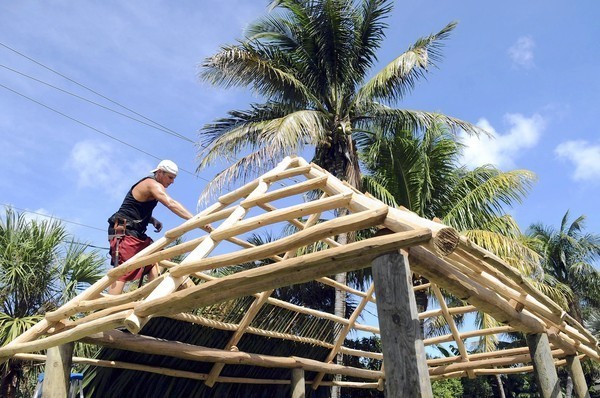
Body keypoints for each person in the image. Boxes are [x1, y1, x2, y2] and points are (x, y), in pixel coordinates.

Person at [107, 160, 194, 294]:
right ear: (159, 172)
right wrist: (195, 219)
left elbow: (134, 209)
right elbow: (171, 203)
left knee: (160, 257)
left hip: (136, 232)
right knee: (123, 270)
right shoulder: (151, 184)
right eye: (170, 177)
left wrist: (152, 220)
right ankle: (108, 309)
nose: (172, 182)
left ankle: (153, 296)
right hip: (124, 231)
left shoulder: (153, 186)